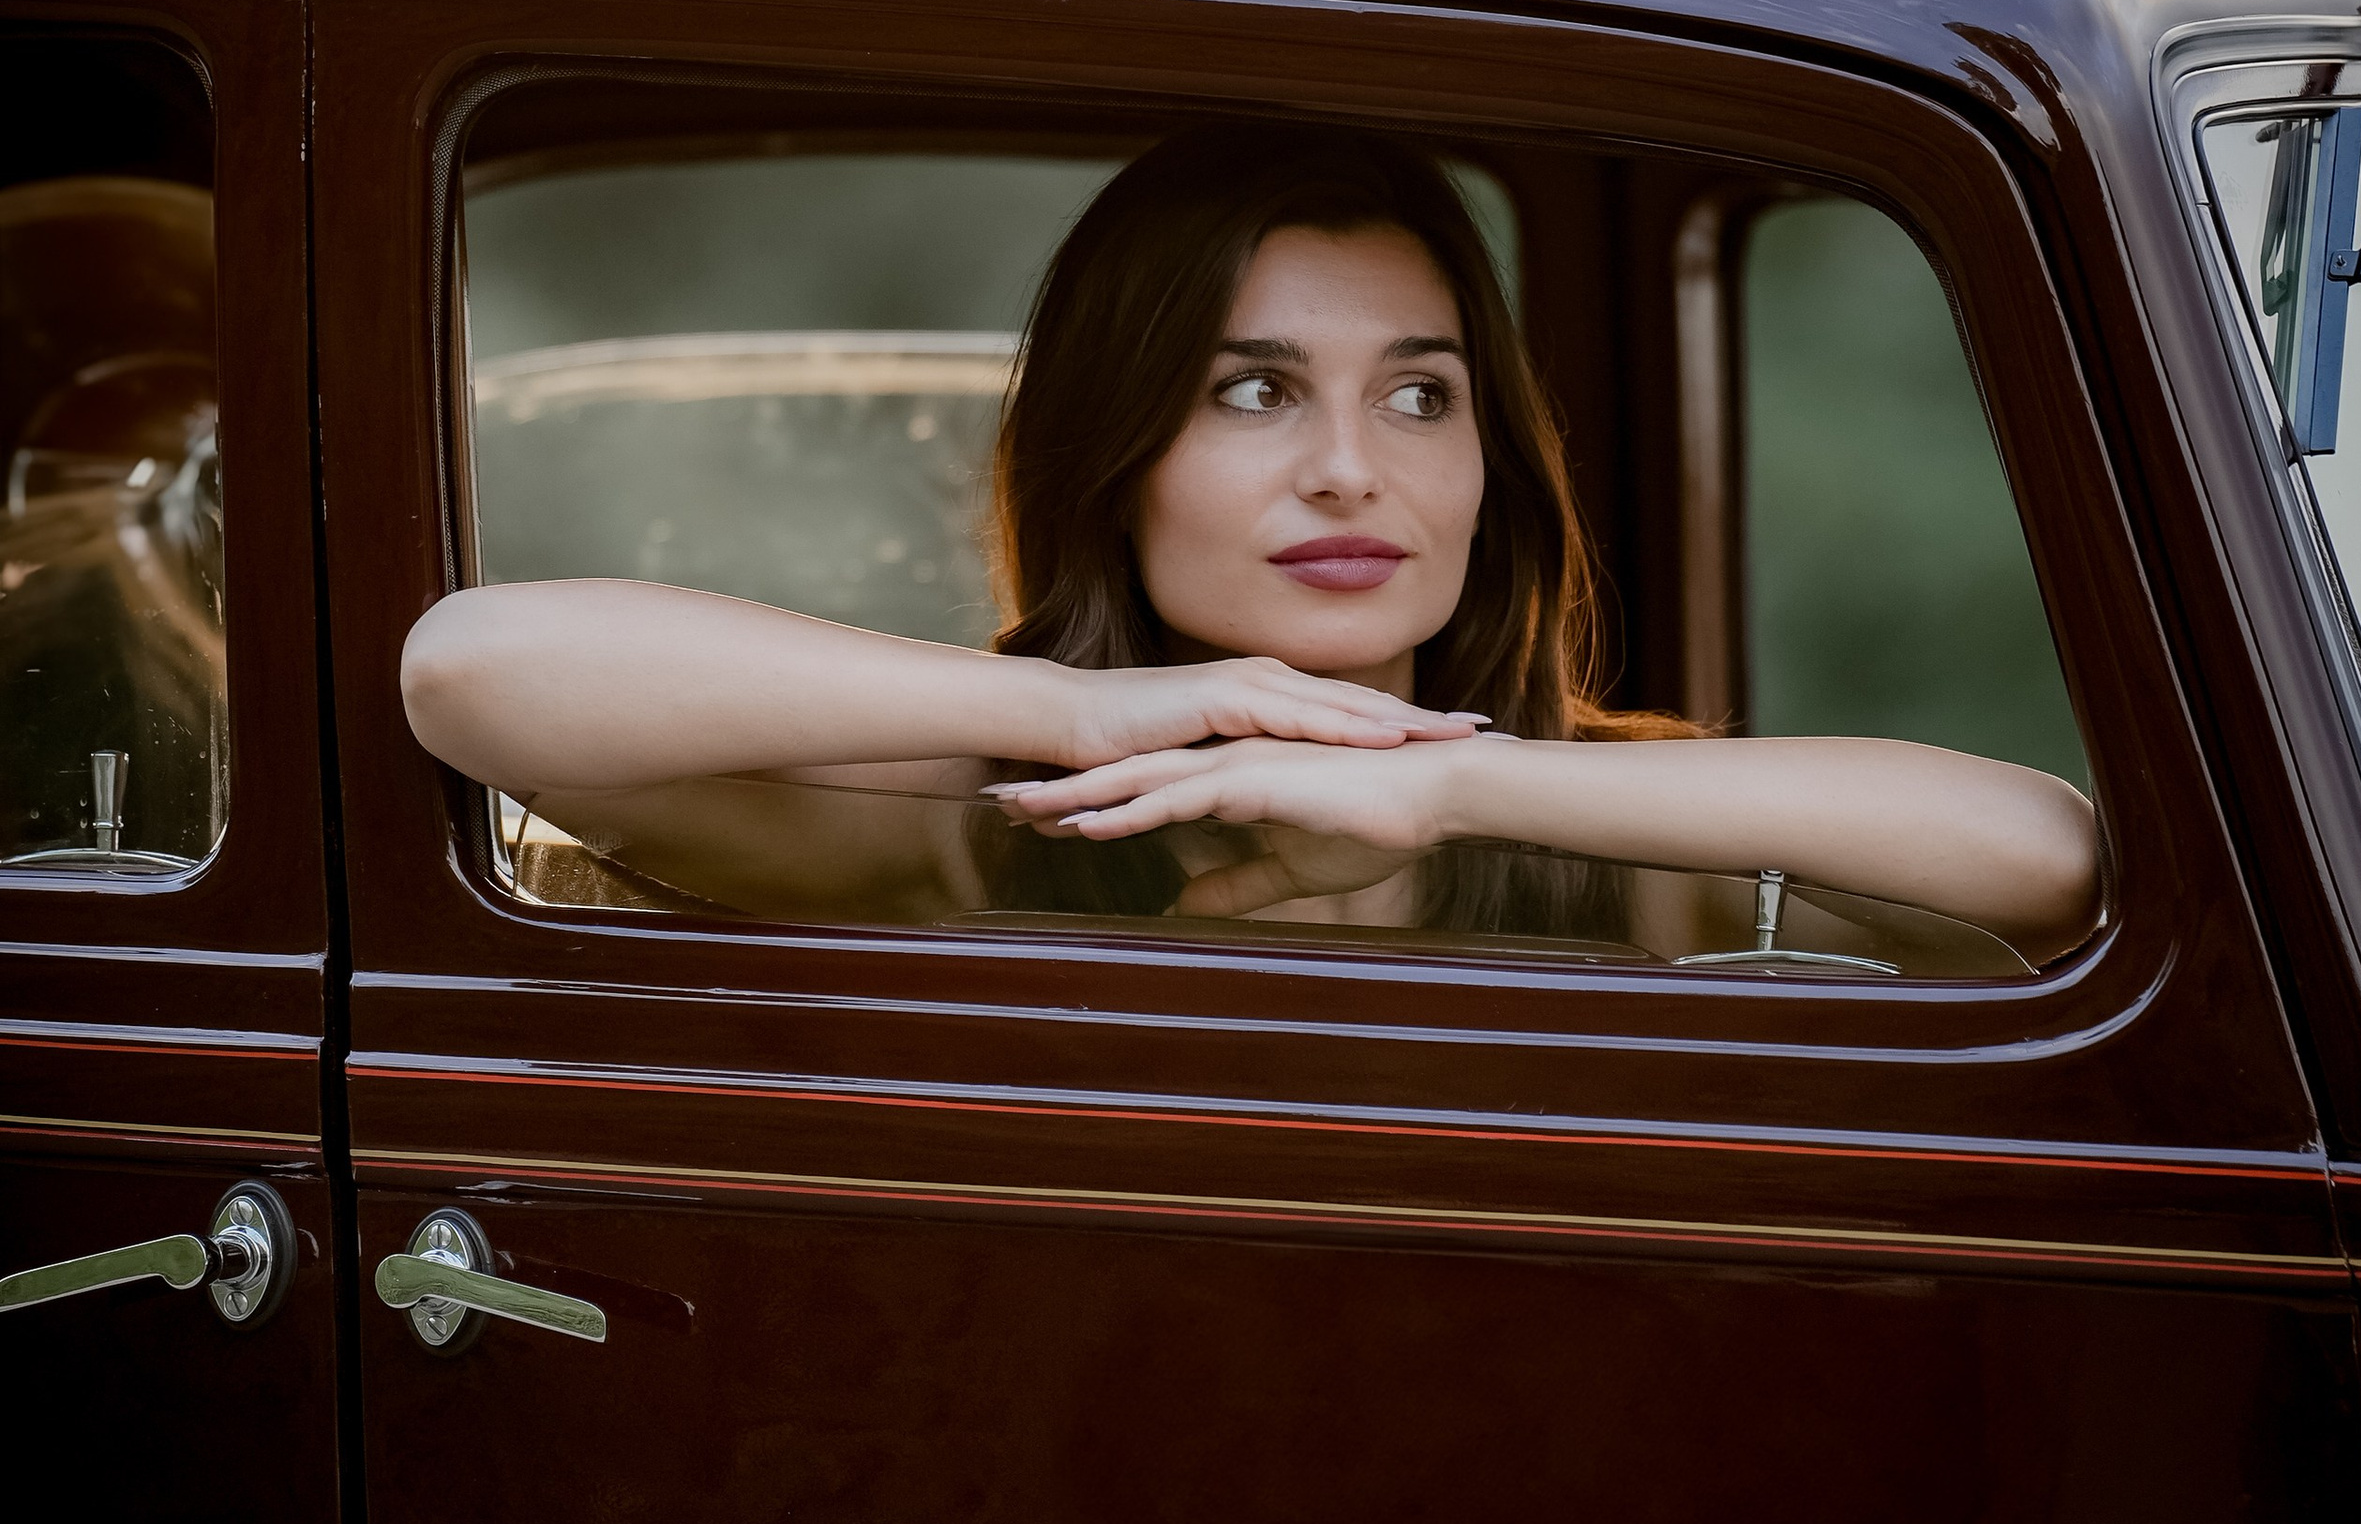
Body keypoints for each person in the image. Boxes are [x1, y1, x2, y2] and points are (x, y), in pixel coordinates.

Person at [403, 124, 2100, 960]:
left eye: (1422, 398)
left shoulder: (1607, 830)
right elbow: (473, 672)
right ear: (1115, 452)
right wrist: (1076, 717)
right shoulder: (986, 828)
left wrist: (1453, 783)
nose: (1354, 470)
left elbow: (2041, 853)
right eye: (1254, 392)